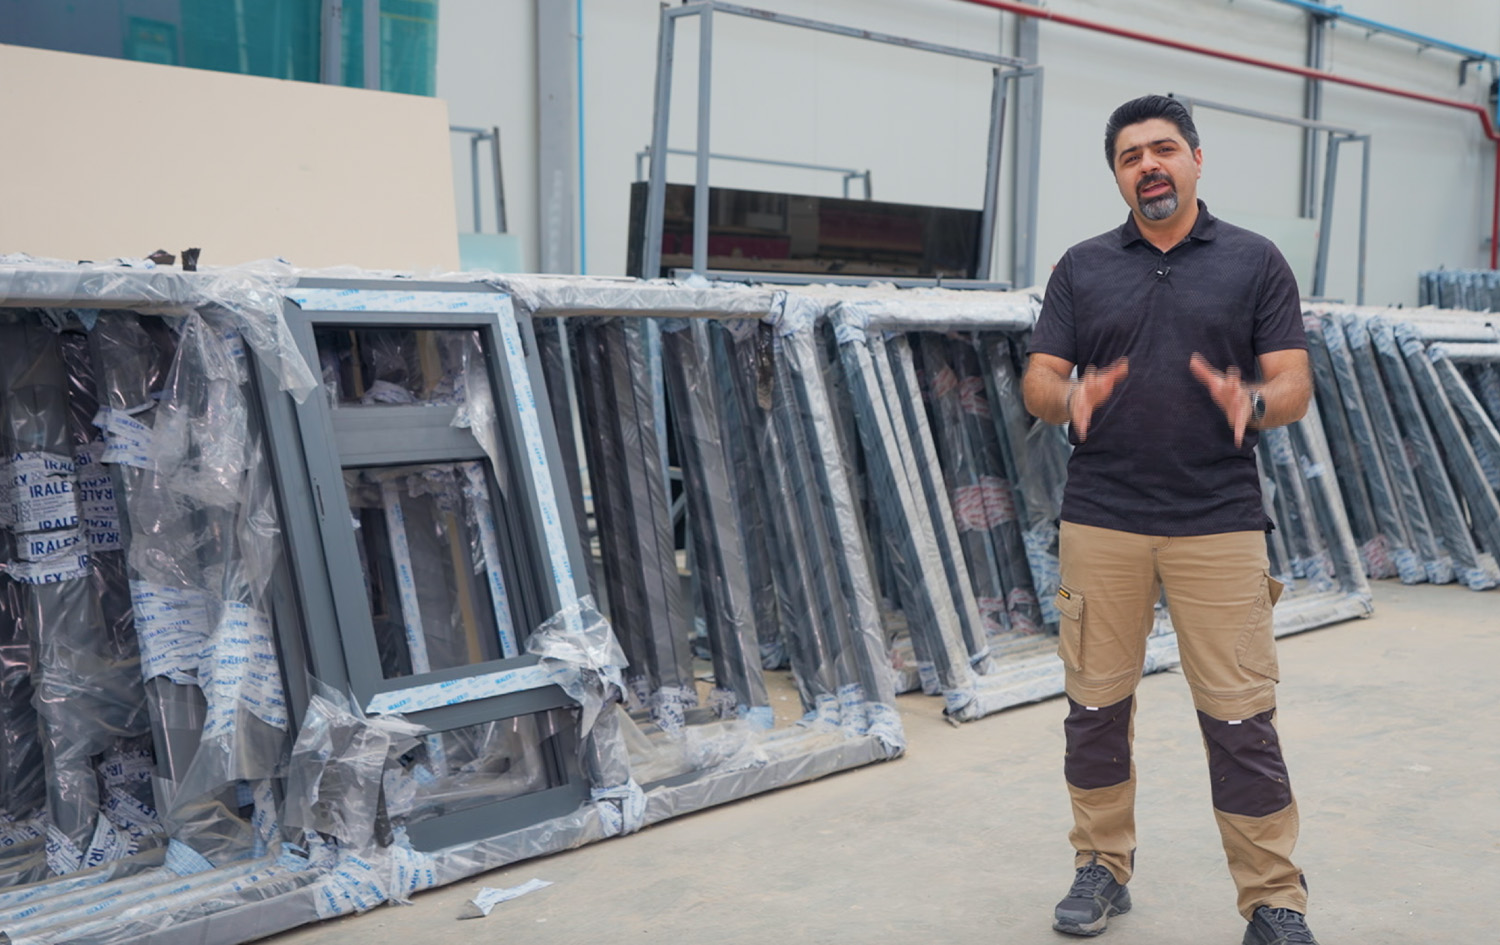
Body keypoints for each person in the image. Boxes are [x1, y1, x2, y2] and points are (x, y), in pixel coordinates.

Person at [1021, 94, 1319, 944]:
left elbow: (1293, 382)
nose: (1148, 165)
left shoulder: (1255, 261)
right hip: (1102, 517)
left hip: (1218, 520)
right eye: (1130, 156)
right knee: (1093, 706)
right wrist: (1068, 396)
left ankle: (1273, 898)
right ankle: (1101, 865)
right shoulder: (1081, 268)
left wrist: (1251, 400)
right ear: (1118, 177)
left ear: (1194, 158)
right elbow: (1038, 379)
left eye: (1162, 149)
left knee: (1240, 717)